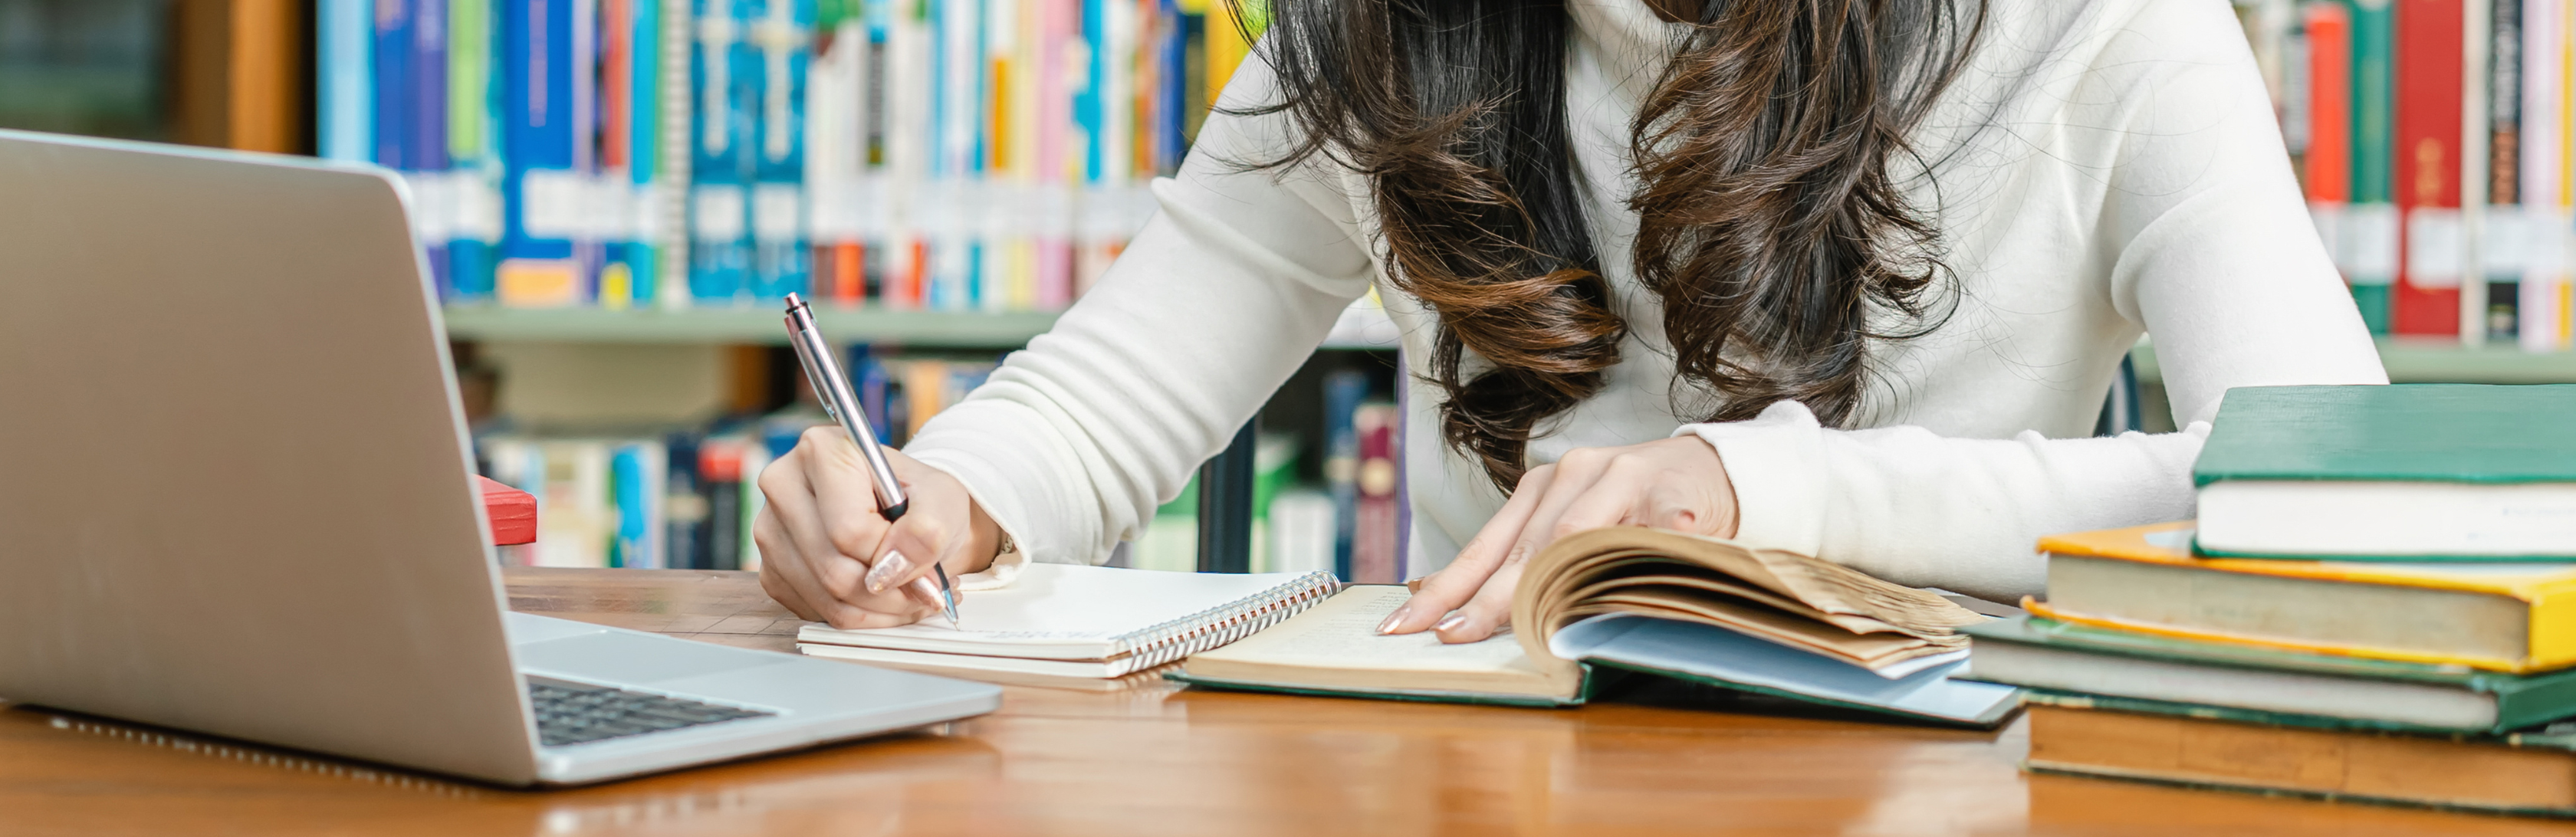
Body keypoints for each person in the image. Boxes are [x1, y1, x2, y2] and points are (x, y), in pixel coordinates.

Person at [751, 0, 2386, 644]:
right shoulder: (1380, 32)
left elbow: (2346, 495)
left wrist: (1773, 496)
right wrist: (939, 502)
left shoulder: (2109, 35)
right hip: (1493, 775)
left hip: (1934, 787)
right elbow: (1107, 399)